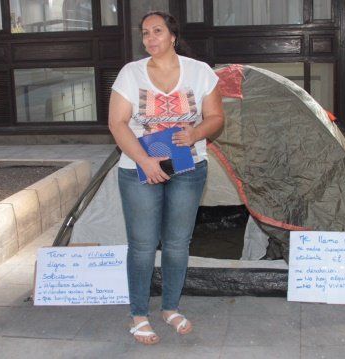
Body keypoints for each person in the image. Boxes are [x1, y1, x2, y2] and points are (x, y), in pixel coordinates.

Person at [107, 11, 224, 345]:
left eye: (157, 31)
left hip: (187, 167)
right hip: (138, 168)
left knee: (177, 243)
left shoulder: (200, 72)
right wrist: (144, 161)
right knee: (143, 245)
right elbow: (117, 123)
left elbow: (216, 117)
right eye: (145, 33)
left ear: (173, 35)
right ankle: (139, 314)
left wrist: (195, 133)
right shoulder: (130, 73)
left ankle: (170, 307)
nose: (150, 38)